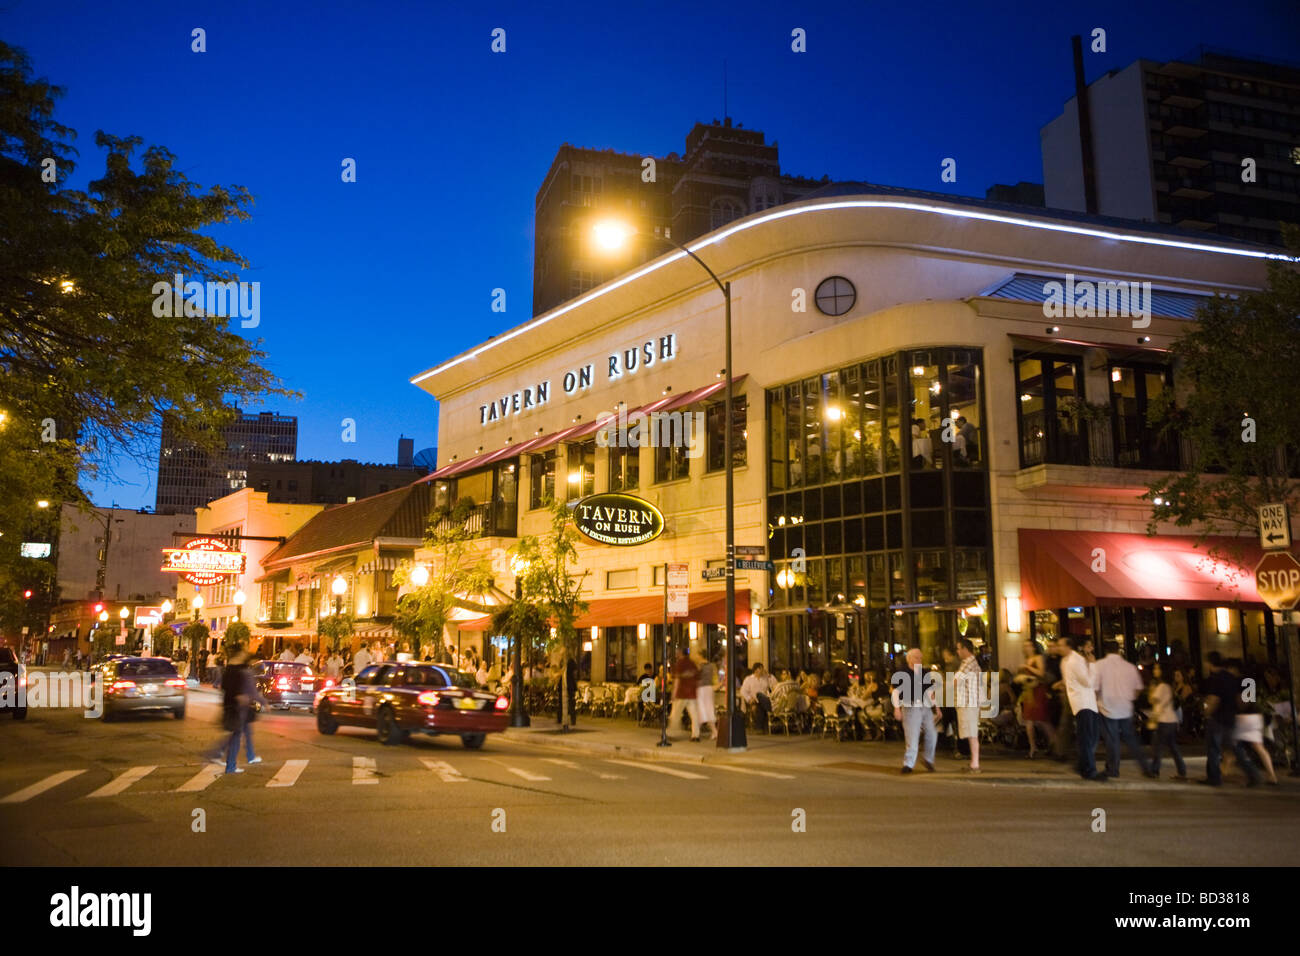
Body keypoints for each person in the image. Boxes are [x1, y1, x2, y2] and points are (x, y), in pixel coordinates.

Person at [1093, 640, 1155, 778]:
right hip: (1125, 707)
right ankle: (1146, 767)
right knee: (1132, 740)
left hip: (1107, 707)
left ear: (1105, 651)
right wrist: (1128, 698)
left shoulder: (1099, 666)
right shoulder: (1129, 667)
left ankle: (1113, 769)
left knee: (1112, 740)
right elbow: (1138, 688)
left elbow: (1095, 688)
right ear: (1118, 650)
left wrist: (1096, 702)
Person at [1200, 654, 1258, 787]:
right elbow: (1241, 700)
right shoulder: (1236, 680)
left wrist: (1206, 712)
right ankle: (1253, 774)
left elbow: (1214, 700)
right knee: (1236, 749)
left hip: (1218, 718)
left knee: (1213, 749)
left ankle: (1214, 778)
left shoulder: (1218, 678)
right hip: (1231, 718)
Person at [206, 648, 264, 774]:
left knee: (239, 733)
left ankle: (239, 758)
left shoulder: (230, 669)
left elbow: (224, 686)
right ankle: (228, 762)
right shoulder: (241, 671)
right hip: (238, 708)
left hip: (234, 706)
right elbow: (250, 690)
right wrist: (262, 702)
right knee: (236, 735)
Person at [1062, 634, 1106, 781]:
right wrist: (1093, 665)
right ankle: (1089, 770)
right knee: (1088, 738)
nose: (1091, 648)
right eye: (1089, 646)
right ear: (1081, 648)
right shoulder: (1076, 661)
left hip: (1088, 703)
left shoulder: (1078, 660)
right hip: (1083, 703)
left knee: (1090, 737)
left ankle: (1083, 766)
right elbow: (1088, 682)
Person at [892, 648, 941, 773]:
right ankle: (908, 763)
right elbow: (896, 692)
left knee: (932, 733)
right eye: (916, 657)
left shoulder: (924, 672)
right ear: (909, 659)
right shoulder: (902, 673)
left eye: (920, 658)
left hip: (925, 706)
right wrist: (896, 708)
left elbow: (930, 691)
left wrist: (937, 707)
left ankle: (928, 759)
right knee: (912, 736)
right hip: (910, 706)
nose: (919, 660)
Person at [1014, 639, 1055, 758]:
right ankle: (1033, 748)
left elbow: (1041, 673)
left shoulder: (1038, 658)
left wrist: (1027, 667)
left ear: (1033, 647)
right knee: (1028, 720)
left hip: (1038, 690)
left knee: (1042, 719)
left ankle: (1054, 743)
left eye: (1028, 646)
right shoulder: (1027, 660)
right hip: (1029, 691)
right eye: (1024, 646)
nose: (1026, 648)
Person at [1146, 662, 1187, 780]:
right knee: (1173, 747)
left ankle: (1154, 770)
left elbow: (1152, 700)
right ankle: (1182, 771)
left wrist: (1151, 690)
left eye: (1157, 668)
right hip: (1172, 720)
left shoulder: (1161, 686)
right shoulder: (1169, 686)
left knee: (1157, 747)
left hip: (1163, 720)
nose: (1155, 670)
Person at [1235, 695, 1280, 786]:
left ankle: (1223, 772)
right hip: (1256, 716)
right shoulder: (1250, 682)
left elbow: (1242, 701)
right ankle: (1272, 775)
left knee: (1233, 747)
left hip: (1244, 717)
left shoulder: (1238, 683)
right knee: (1259, 747)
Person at [954, 639, 982, 772]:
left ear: (965, 649)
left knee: (971, 733)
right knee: (971, 732)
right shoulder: (970, 663)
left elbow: (956, 680)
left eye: (959, 648)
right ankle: (973, 762)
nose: (957, 651)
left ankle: (975, 763)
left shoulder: (968, 663)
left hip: (968, 702)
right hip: (969, 701)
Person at [668, 646, 701, 741]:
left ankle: (672, 733)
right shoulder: (692, 664)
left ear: (680, 653)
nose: (676, 653)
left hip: (681, 693)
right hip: (692, 693)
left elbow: (677, 679)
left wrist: (674, 693)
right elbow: (697, 678)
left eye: (677, 652)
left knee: (675, 714)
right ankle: (696, 735)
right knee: (694, 715)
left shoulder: (680, 664)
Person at [740, 663, 775, 731]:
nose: (763, 670)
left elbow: (775, 685)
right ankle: (763, 726)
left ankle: (759, 727)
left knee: (761, 699)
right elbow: (743, 691)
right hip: (754, 700)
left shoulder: (766, 678)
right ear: (756, 670)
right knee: (759, 697)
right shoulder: (749, 679)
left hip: (764, 700)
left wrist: (769, 675)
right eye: (761, 668)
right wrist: (749, 699)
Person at [695, 651, 719, 740]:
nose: (696, 657)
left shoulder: (700, 666)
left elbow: (696, 676)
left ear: (701, 656)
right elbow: (714, 677)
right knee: (707, 710)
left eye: (698, 655)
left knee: (701, 710)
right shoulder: (711, 666)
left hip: (701, 689)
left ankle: (713, 731)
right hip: (709, 688)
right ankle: (696, 732)